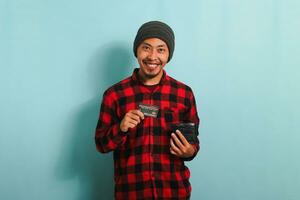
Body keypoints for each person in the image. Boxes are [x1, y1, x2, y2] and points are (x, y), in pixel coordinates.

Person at [95, 21, 200, 200]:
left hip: (174, 192)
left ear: (168, 55)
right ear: (136, 51)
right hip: (131, 192)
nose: (152, 56)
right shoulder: (114, 95)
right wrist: (120, 128)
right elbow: (101, 145)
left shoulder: (184, 93)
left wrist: (189, 151)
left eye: (161, 49)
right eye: (146, 48)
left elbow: (193, 144)